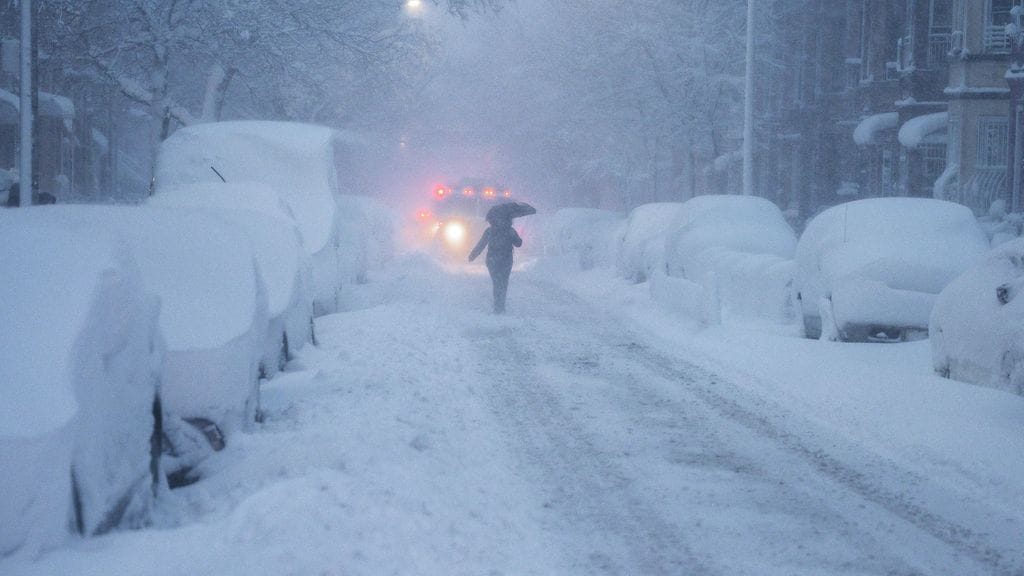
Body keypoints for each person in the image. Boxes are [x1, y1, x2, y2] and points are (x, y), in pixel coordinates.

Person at [468, 214, 522, 314]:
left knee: (497, 283)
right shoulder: (510, 230)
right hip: (505, 261)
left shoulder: (490, 230)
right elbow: (518, 244)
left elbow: (481, 244)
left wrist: (473, 255)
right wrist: (515, 236)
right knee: (503, 283)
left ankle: (498, 306)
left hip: (493, 261)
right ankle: (500, 306)